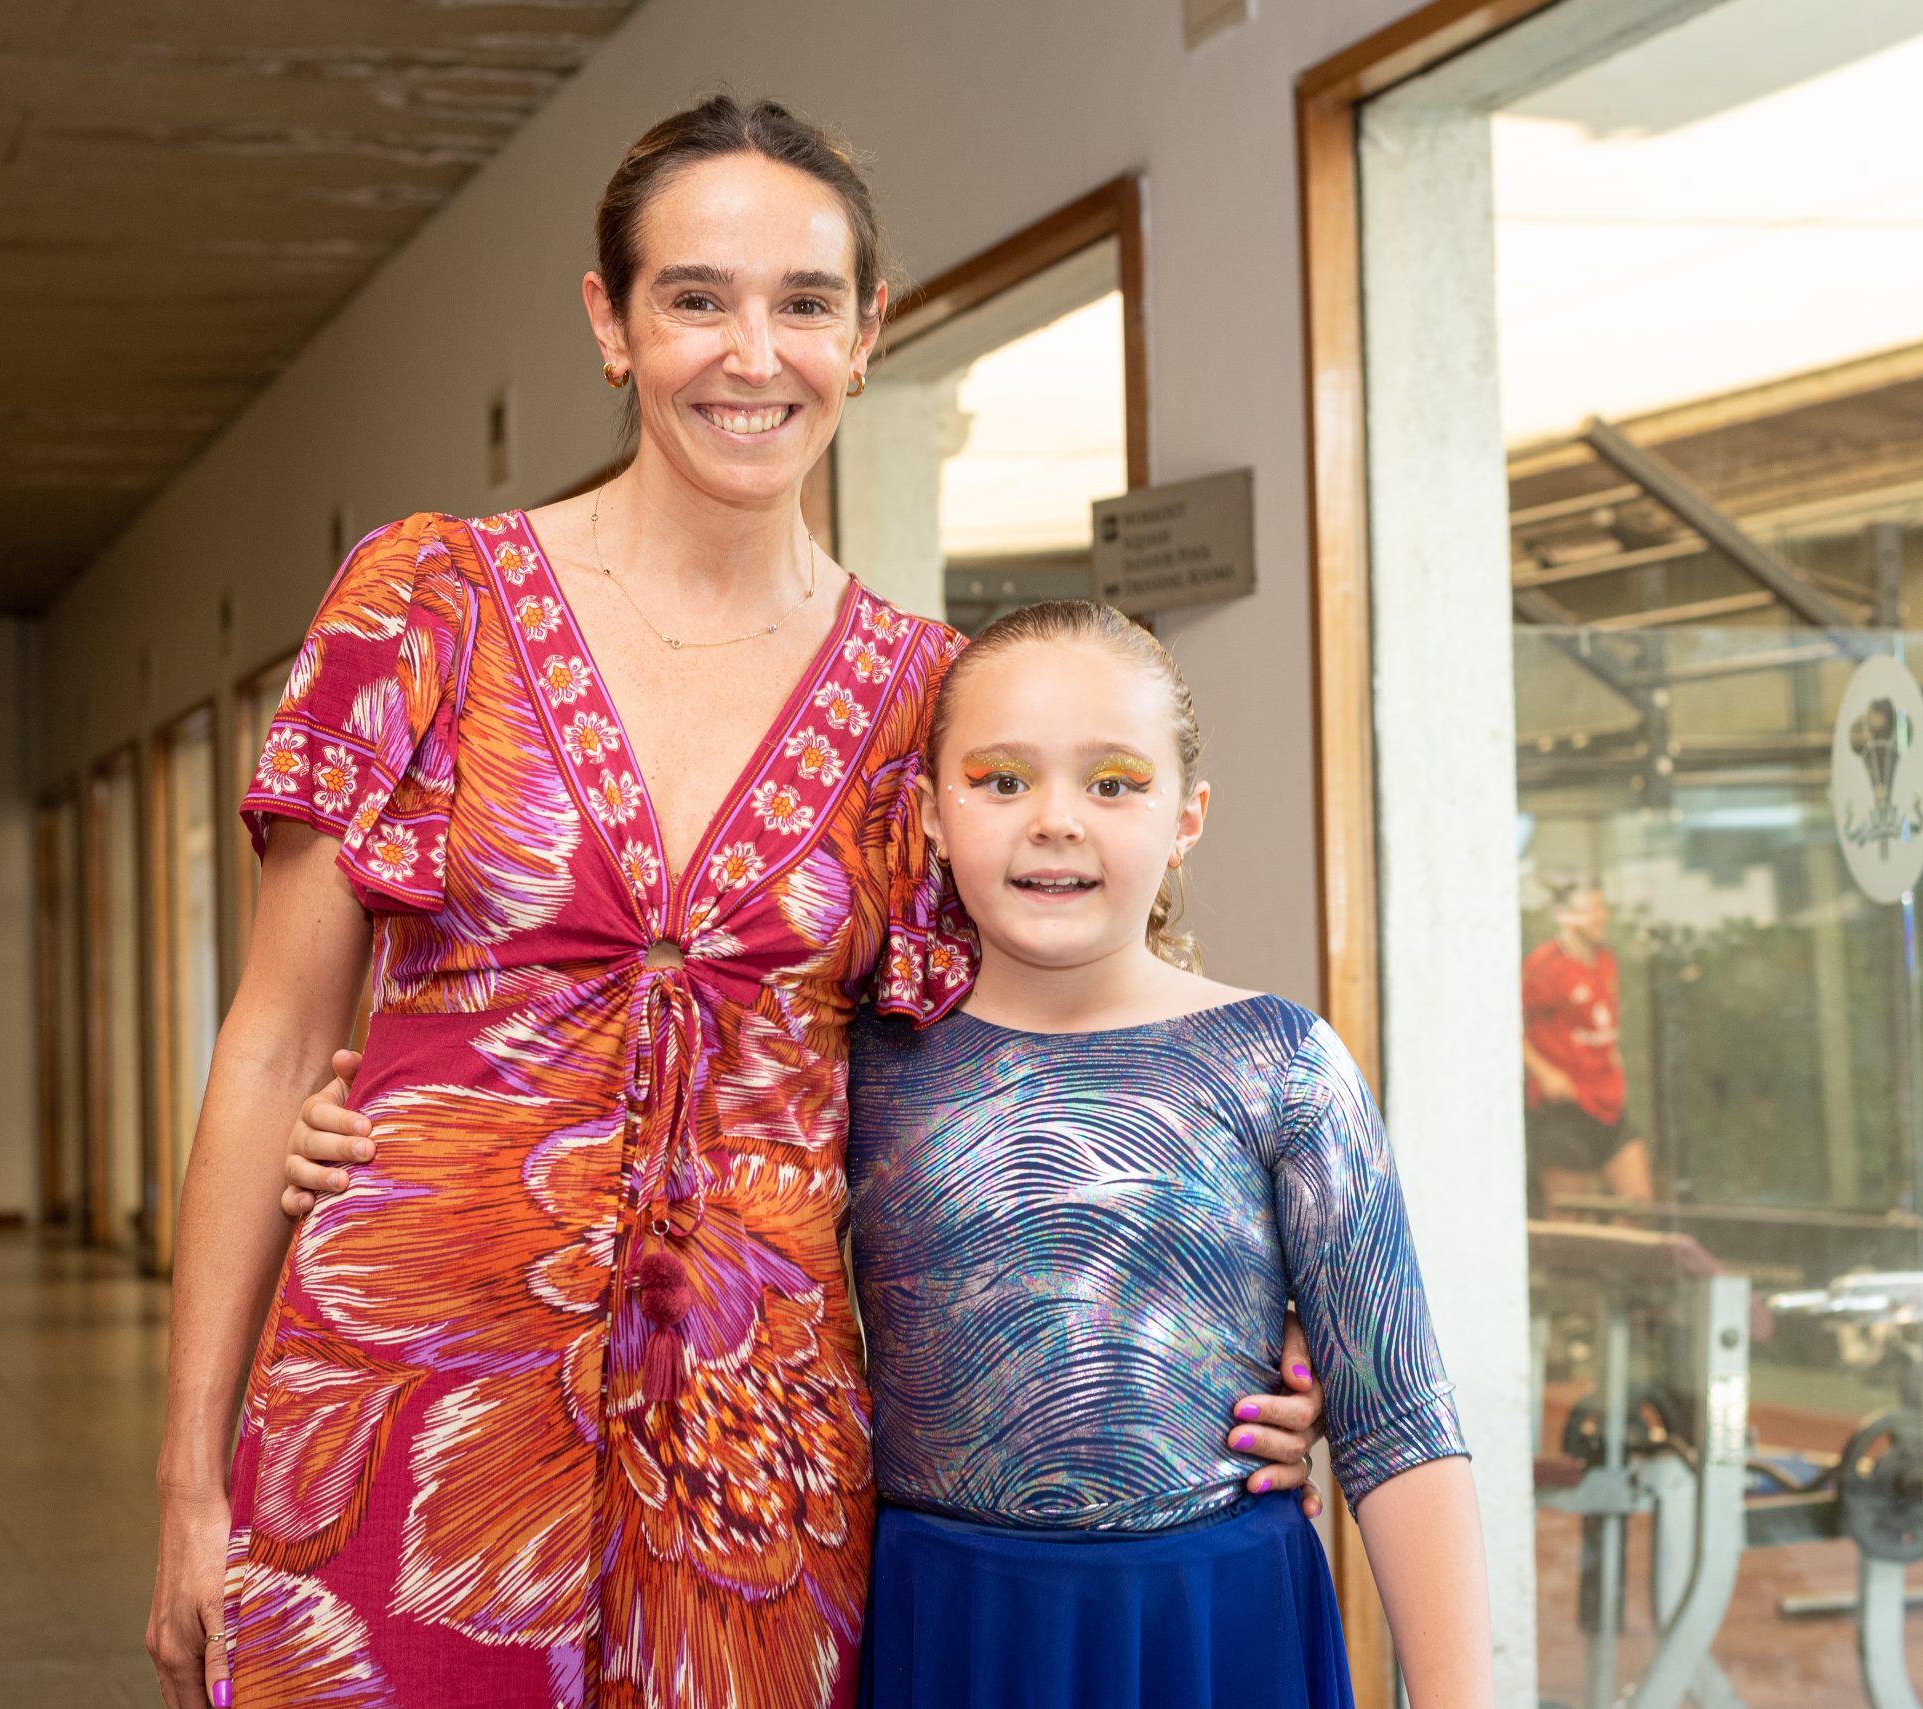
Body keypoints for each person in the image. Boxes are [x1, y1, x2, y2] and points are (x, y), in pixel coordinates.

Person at [146, 97, 1321, 1709]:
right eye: (696, 298)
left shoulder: (927, 703)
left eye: (805, 303)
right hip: (398, 1434)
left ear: (868, 331)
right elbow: (274, 1048)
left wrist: (1235, 1321)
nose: (752, 355)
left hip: (756, 1486)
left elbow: (1032, 1055)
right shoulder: (428, 601)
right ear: (610, 323)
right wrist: (187, 1481)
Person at [288, 604, 1493, 1709]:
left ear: (1187, 816)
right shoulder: (854, 1061)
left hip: (1209, 1615)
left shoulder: (1281, 1061)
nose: (1055, 817)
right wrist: (376, 1130)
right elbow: (617, 1146)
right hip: (941, 1614)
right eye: (1001, 778)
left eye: (1113, 782)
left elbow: (1397, 1420)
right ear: (925, 815)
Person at [1520, 879, 1652, 1213]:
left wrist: (1615, 1062)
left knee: (1638, 1205)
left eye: (1601, 907)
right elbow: (1505, 1025)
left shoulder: (1605, 959)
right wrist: (1545, 1073)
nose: (1600, 916)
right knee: (1568, 1215)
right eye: (1589, 909)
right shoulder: (1545, 966)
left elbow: (1601, 1022)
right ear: (1563, 916)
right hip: (1565, 1109)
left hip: (1608, 1102)